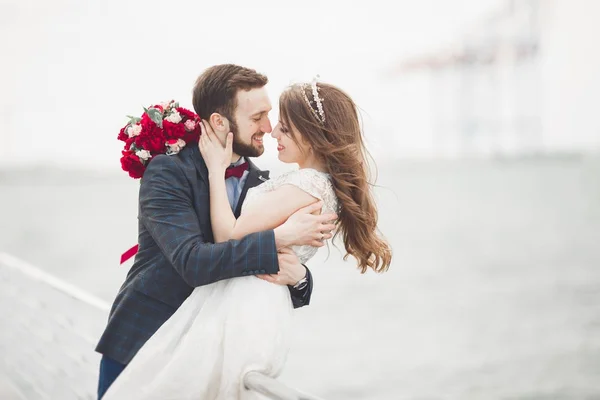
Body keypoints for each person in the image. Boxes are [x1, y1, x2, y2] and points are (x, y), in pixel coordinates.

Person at [101, 77, 392, 399]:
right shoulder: (169, 172)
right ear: (219, 121)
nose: (269, 128)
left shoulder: (273, 182)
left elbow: (267, 258)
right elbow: (192, 262)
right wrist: (279, 237)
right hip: (146, 334)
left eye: (275, 119)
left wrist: (299, 278)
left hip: (227, 323)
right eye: (258, 117)